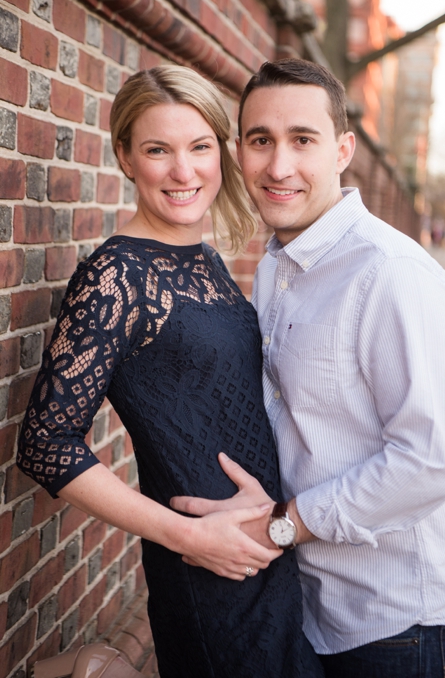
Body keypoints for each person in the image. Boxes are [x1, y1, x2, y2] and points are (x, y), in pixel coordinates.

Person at [172, 58, 445, 677]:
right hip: (314, 614)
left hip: (402, 628)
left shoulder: (391, 276)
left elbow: (429, 462)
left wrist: (281, 526)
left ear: (343, 150)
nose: (279, 166)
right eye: (261, 140)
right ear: (239, 152)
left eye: (302, 140)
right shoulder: (275, 266)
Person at [16, 66, 324, 678]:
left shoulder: (203, 258)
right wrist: (186, 537)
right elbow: (45, 444)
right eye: (159, 150)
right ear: (127, 157)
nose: (184, 172)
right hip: (207, 565)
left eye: (200, 147)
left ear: (223, 154)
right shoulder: (115, 276)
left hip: (262, 552)